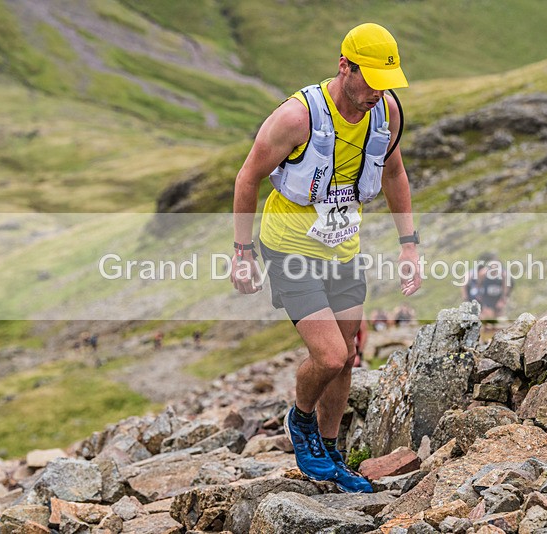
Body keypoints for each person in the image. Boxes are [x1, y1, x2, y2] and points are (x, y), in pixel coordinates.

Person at [231, 23, 421, 493]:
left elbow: (394, 174)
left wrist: (409, 244)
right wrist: (241, 252)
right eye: (371, 79)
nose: (378, 92)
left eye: (386, 82)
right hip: (290, 247)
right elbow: (247, 176)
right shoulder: (297, 118)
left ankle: (332, 452)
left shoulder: (387, 113)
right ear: (345, 66)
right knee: (330, 355)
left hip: (343, 247)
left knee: (349, 356)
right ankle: (301, 422)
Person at [462, 252, 511, 331]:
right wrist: (469, 296)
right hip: (483, 295)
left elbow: (506, 286)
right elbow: (474, 285)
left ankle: (496, 329)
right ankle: (486, 330)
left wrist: (503, 298)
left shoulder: (503, 274)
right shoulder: (480, 273)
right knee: (487, 314)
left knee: (498, 315)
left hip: (494, 295)